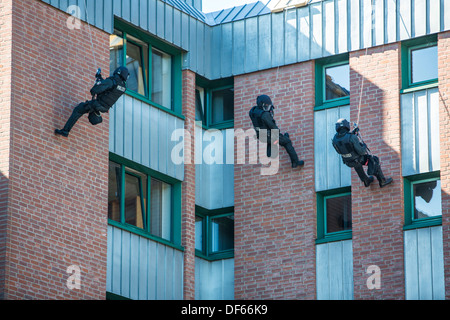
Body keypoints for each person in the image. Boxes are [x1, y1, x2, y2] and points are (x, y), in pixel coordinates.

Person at [55, 66, 129, 137]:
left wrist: (97, 84)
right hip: (104, 107)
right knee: (88, 108)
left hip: (97, 104)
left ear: (118, 72)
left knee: (78, 110)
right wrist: (99, 77)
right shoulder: (122, 87)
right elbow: (107, 88)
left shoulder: (112, 81)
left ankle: (65, 131)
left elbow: (95, 90)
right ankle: (94, 112)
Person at [332, 118, 393, 188]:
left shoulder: (335, 139)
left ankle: (366, 180)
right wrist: (364, 146)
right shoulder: (352, 137)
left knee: (357, 165)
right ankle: (382, 181)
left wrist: (353, 134)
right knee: (374, 159)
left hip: (348, 162)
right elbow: (362, 151)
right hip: (359, 159)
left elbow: (344, 142)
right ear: (346, 125)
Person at [249, 95, 305, 168]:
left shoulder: (253, 112)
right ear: (262, 105)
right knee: (286, 141)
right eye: (266, 105)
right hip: (269, 135)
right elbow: (273, 127)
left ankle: (269, 152)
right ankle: (295, 162)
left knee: (272, 139)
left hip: (261, 135)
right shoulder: (265, 115)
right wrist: (280, 136)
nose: (268, 107)